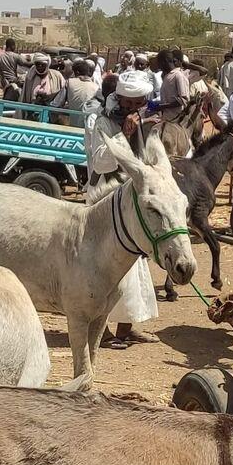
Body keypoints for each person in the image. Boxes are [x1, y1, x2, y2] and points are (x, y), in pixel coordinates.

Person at [86, 71, 163, 347]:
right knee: (105, 269)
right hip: (105, 202)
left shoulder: (142, 118)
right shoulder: (102, 121)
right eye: (130, 105)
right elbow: (101, 163)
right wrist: (125, 133)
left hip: (130, 202)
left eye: (139, 104)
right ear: (121, 100)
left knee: (134, 263)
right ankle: (102, 332)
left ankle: (126, 328)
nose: (134, 110)